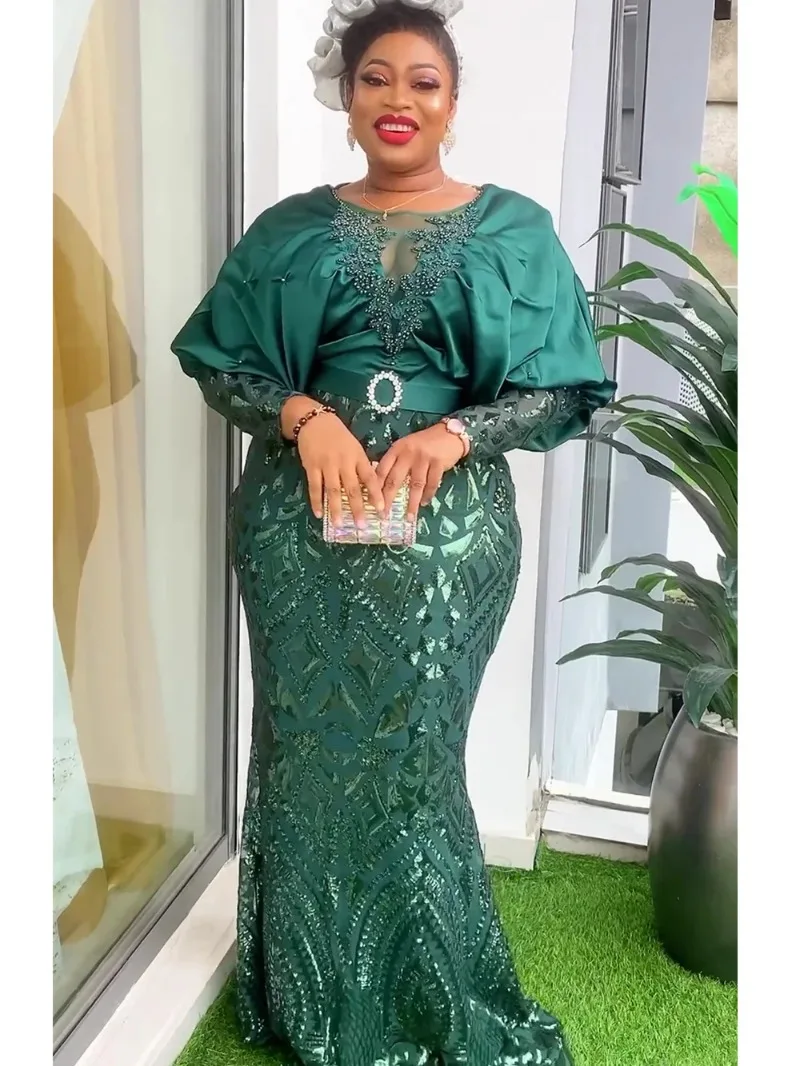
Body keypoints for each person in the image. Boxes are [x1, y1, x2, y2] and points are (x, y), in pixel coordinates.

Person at [172, 3, 615, 1063]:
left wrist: (458, 432)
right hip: (297, 530)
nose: (398, 100)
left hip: (447, 537)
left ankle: (429, 1001)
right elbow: (218, 361)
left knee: (414, 760)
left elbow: (561, 388)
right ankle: (310, 997)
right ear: (347, 97)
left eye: (423, 82)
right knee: (306, 754)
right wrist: (302, 414)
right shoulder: (287, 229)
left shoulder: (513, 230)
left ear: (453, 104)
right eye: (376, 78)